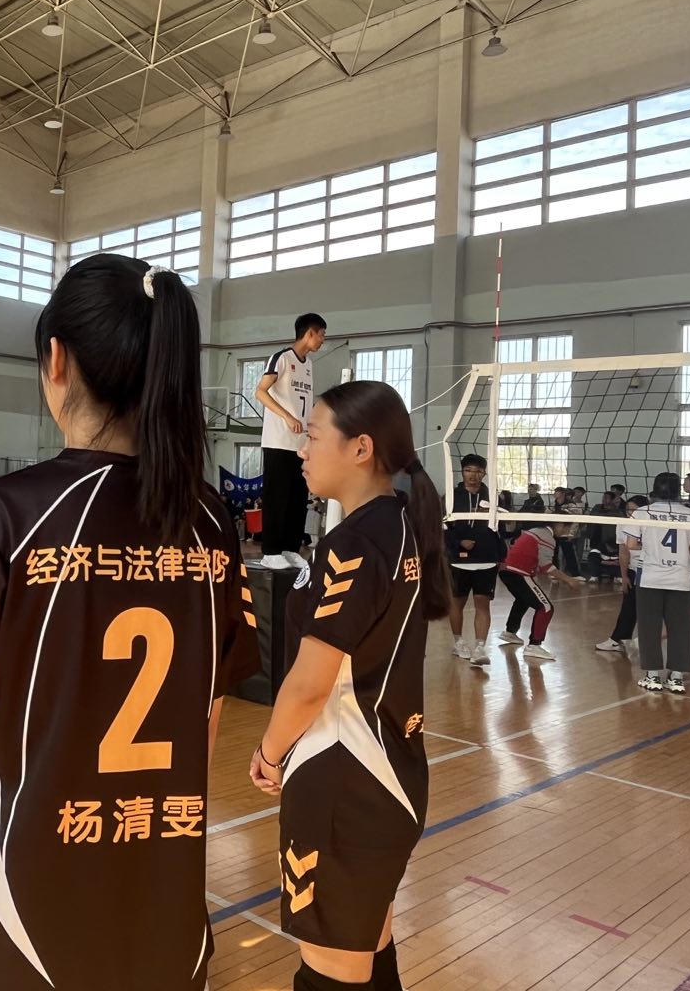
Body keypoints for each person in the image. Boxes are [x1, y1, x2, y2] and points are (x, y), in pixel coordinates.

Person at [0, 256, 258, 991]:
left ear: (57, 359)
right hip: (159, 893)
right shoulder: (210, 522)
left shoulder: (3, 515)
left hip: (14, 897)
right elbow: (208, 712)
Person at [249, 381, 449, 991]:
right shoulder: (397, 525)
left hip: (344, 779)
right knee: (369, 949)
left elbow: (311, 682)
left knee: (331, 970)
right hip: (389, 772)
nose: (302, 449)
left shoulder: (358, 543)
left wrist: (269, 754)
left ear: (360, 448)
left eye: (312, 436)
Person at [255, 313, 326, 571]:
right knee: (277, 497)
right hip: (278, 441)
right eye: (321, 334)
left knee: (298, 498)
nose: (322, 340)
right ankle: (271, 551)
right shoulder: (282, 358)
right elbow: (260, 391)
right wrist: (286, 416)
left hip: (300, 444)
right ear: (310, 333)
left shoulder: (308, 365)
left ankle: (290, 548)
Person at [625, 472, 690, 693]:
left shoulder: (642, 512)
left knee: (649, 628)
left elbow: (630, 545)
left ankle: (653, 676)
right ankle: (676, 678)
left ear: (655, 489)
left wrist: (651, 547)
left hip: (651, 578)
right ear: (678, 490)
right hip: (681, 579)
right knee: (680, 629)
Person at [446, 454, 503, 666]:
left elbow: (501, 528)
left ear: (484, 473)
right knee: (457, 602)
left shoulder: (493, 497)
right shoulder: (451, 497)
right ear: (462, 472)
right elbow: (442, 528)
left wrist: (501, 555)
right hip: (458, 561)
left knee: (482, 603)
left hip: (487, 559)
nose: (473, 475)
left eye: (478, 471)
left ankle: (480, 647)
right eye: (468, 470)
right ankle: (458, 642)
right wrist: (459, 542)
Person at [497, 521, 584, 661]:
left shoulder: (536, 530)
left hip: (507, 571)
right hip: (518, 573)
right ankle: (534, 645)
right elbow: (546, 565)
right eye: (567, 528)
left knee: (523, 600)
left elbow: (536, 561)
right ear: (559, 524)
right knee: (546, 608)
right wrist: (569, 579)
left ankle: (510, 632)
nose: (567, 532)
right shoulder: (547, 536)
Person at [595, 495, 648, 653]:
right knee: (629, 607)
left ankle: (646, 642)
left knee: (652, 609)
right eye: (628, 510)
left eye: (634, 510)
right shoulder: (623, 524)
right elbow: (623, 551)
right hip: (634, 570)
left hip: (652, 570)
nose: (630, 513)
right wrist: (624, 576)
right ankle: (619, 640)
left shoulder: (652, 524)